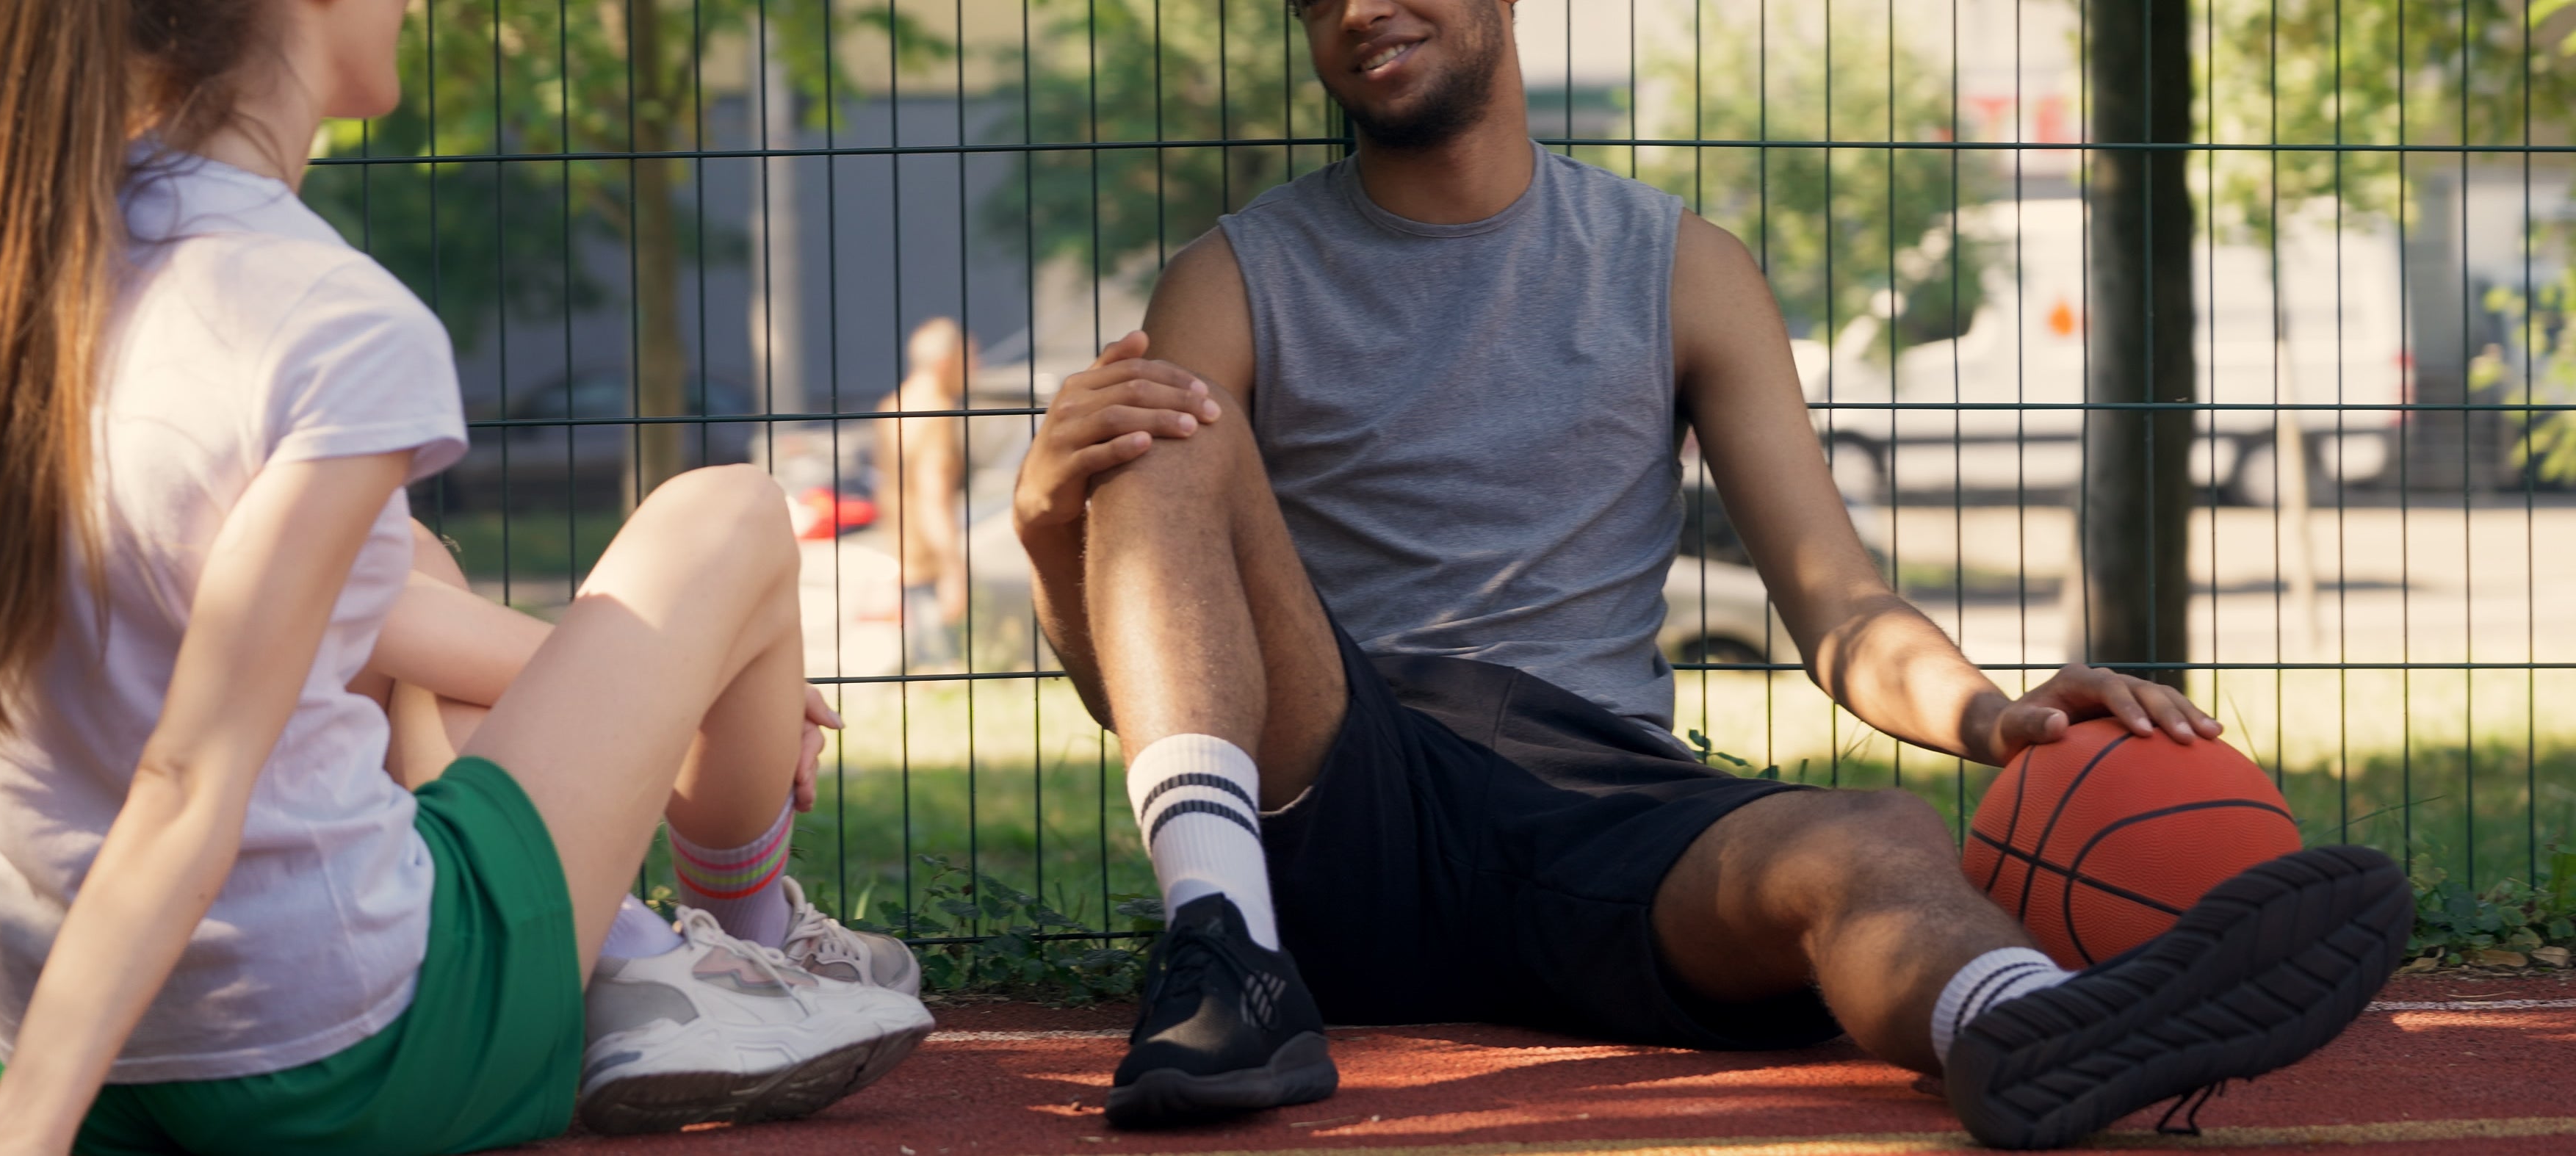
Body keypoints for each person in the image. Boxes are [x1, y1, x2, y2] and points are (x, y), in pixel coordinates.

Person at [1009, 0, 2412, 1145]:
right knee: (1160, 421)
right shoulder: (1234, 275)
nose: (1359, 11)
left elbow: (1838, 600)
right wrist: (1042, 534)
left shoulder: (1680, 265)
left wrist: (1998, 715)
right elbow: (1152, 681)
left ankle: (2027, 1022)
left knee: (1870, 839)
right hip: (1350, 769)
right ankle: (1224, 945)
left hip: (1599, 796)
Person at [0, 2, 926, 1152]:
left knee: (414, 563)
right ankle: (740, 956)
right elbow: (189, 777)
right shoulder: (327, 314)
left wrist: (674, 678)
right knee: (728, 512)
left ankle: (645, 955)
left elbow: (375, 616)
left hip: (93, 1057)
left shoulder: (23, 282)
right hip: (345, 1062)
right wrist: (18, 1137)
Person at [873, 319, 975, 668]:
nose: (976, 369)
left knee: (920, 669)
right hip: (931, 562)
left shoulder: (893, 404)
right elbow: (934, 497)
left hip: (902, 553)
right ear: (946, 363)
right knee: (945, 672)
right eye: (969, 359)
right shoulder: (936, 411)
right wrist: (953, 570)